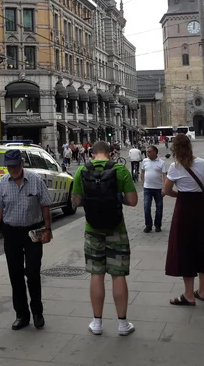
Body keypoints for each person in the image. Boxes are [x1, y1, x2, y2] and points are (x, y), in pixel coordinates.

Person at [71, 141, 138, 337]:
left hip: (92, 229)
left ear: (92, 154)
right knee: (118, 275)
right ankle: (123, 324)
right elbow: (133, 201)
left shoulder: (81, 171)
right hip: (117, 228)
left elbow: (75, 201)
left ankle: (97, 323)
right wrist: (118, 199)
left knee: (96, 274)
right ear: (110, 153)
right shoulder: (120, 170)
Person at [0, 149, 53, 331]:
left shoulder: (35, 180)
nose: (12, 169)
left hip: (34, 231)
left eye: (15, 166)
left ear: (22, 164)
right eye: (9, 166)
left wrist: (48, 230)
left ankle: (37, 312)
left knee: (32, 273)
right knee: (15, 274)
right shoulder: (2, 184)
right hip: (11, 233)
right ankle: (21, 315)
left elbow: (45, 206)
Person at [163, 134, 204, 305]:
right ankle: (202, 291)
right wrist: (199, 186)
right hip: (200, 208)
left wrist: (180, 194)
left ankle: (188, 294)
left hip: (183, 209)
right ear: (190, 146)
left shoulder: (175, 167)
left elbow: (166, 190)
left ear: (174, 148)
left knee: (185, 249)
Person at [141, 145, 168, 233]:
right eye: (147, 152)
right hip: (147, 188)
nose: (147, 153)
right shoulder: (145, 161)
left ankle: (157, 225)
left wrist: (164, 188)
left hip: (158, 188)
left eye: (149, 152)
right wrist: (143, 182)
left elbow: (165, 176)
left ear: (155, 152)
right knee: (146, 207)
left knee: (159, 207)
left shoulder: (161, 162)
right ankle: (148, 225)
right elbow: (142, 172)